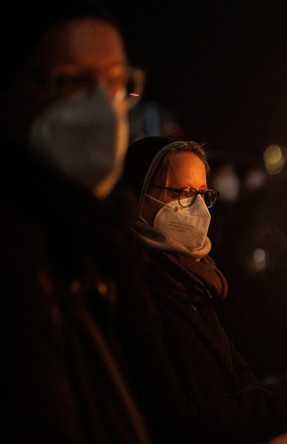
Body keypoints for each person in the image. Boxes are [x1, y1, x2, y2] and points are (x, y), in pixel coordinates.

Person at [0, 2, 152, 442]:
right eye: (68, 80)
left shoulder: (87, 253)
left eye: (117, 81)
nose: (101, 106)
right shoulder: (16, 265)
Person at [113, 136, 287, 443]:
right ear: (138, 195)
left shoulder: (195, 279)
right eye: (184, 192)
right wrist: (279, 401)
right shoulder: (134, 291)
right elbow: (172, 421)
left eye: (202, 193)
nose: (198, 206)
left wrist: (276, 402)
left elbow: (235, 370)